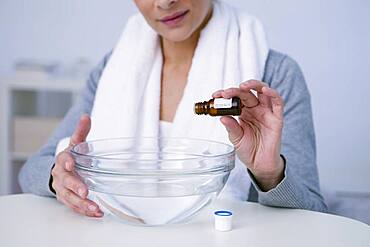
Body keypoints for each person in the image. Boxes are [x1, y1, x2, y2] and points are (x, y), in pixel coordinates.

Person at [19, 0, 327, 218]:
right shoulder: (113, 70)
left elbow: (314, 212)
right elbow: (32, 169)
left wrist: (270, 174)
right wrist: (59, 177)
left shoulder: (274, 76)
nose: (165, 2)